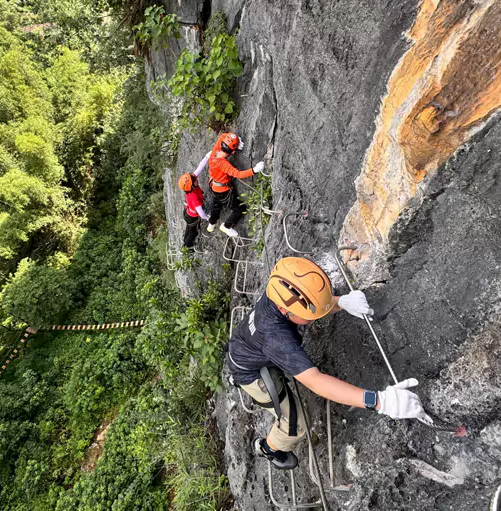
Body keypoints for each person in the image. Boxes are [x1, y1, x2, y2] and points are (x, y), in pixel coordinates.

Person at [227, 257, 430, 470]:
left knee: (269, 349)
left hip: (244, 346)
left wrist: (340, 302)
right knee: (297, 427)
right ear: (285, 310)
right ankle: (268, 448)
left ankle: (239, 372)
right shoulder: (276, 338)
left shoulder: (279, 285)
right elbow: (315, 382)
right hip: (252, 373)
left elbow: (307, 302)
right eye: (309, 316)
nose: (315, 317)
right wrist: (379, 401)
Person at [206, 132, 265, 238]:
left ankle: (212, 223)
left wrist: (235, 139)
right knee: (239, 209)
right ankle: (226, 226)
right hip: (223, 191)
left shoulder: (214, 153)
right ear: (233, 152)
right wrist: (255, 170)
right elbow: (238, 174)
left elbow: (223, 136)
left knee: (216, 205)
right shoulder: (223, 164)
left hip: (214, 186)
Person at [178, 154, 210, 248]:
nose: (196, 179)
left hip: (188, 213)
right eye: (194, 180)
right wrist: (208, 218)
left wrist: (207, 157)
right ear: (192, 186)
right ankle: (187, 247)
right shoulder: (194, 196)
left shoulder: (190, 186)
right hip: (192, 217)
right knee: (194, 232)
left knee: (189, 227)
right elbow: (201, 213)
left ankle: (185, 242)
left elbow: (200, 168)